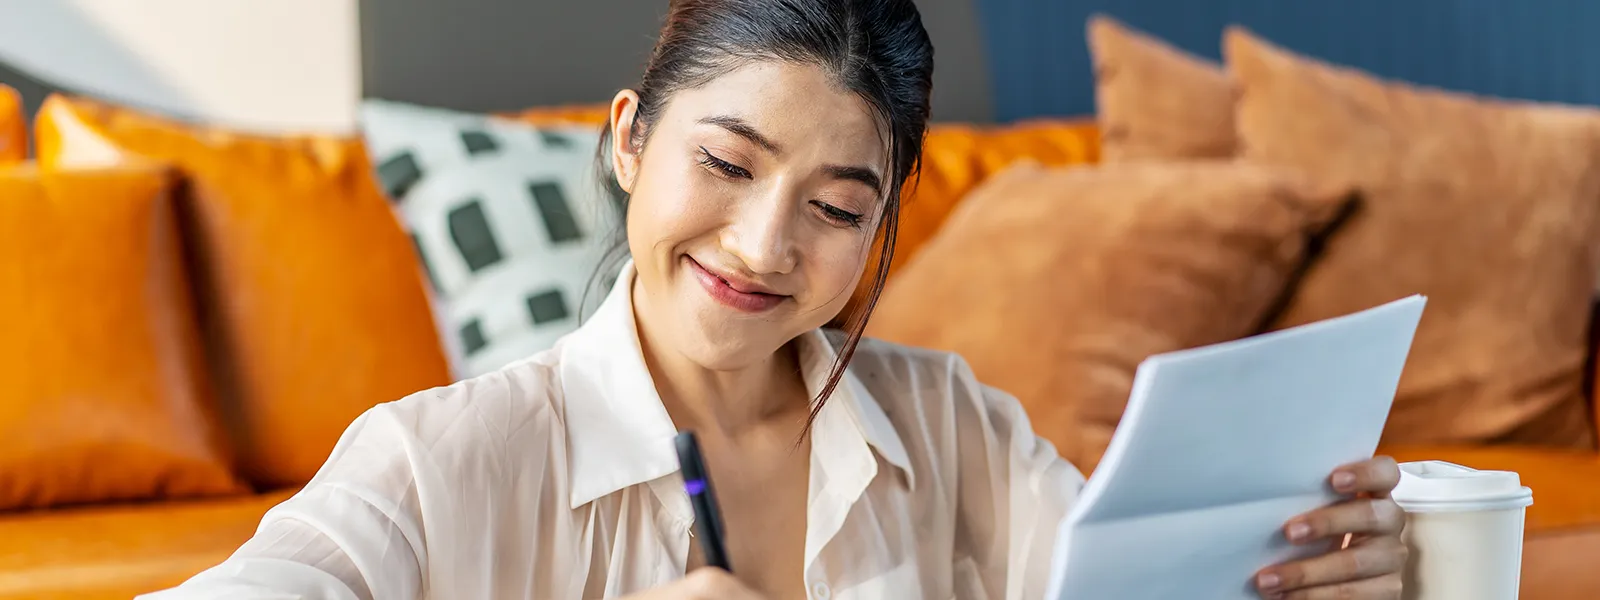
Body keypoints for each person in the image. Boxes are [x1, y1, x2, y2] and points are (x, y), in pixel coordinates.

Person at [142, 0, 1407, 598]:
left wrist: (1306, 576)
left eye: (837, 206)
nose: (761, 245)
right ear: (629, 140)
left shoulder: (951, 426)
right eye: (726, 164)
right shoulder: (436, 461)